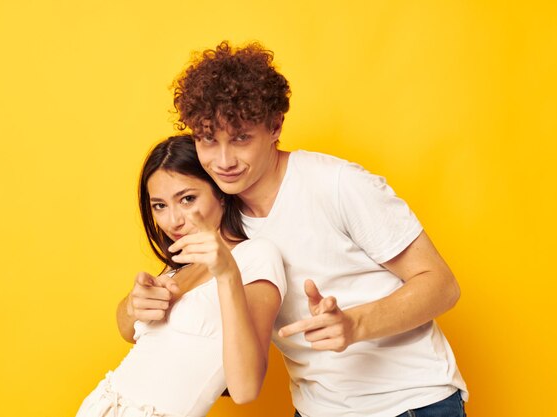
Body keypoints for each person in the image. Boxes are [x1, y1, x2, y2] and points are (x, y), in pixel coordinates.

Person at [121, 42, 468, 417]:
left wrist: (355, 324)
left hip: (410, 403)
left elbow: (441, 284)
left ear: (275, 126)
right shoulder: (218, 213)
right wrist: (134, 305)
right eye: (208, 140)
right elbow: (152, 310)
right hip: (318, 408)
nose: (223, 161)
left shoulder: (335, 184)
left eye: (240, 138)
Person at [79, 135, 286, 417]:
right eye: (159, 206)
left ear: (221, 194)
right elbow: (127, 331)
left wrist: (226, 274)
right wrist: (133, 304)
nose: (173, 221)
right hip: (100, 406)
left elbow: (245, 389)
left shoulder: (255, 256)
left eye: (187, 199)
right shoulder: (180, 264)